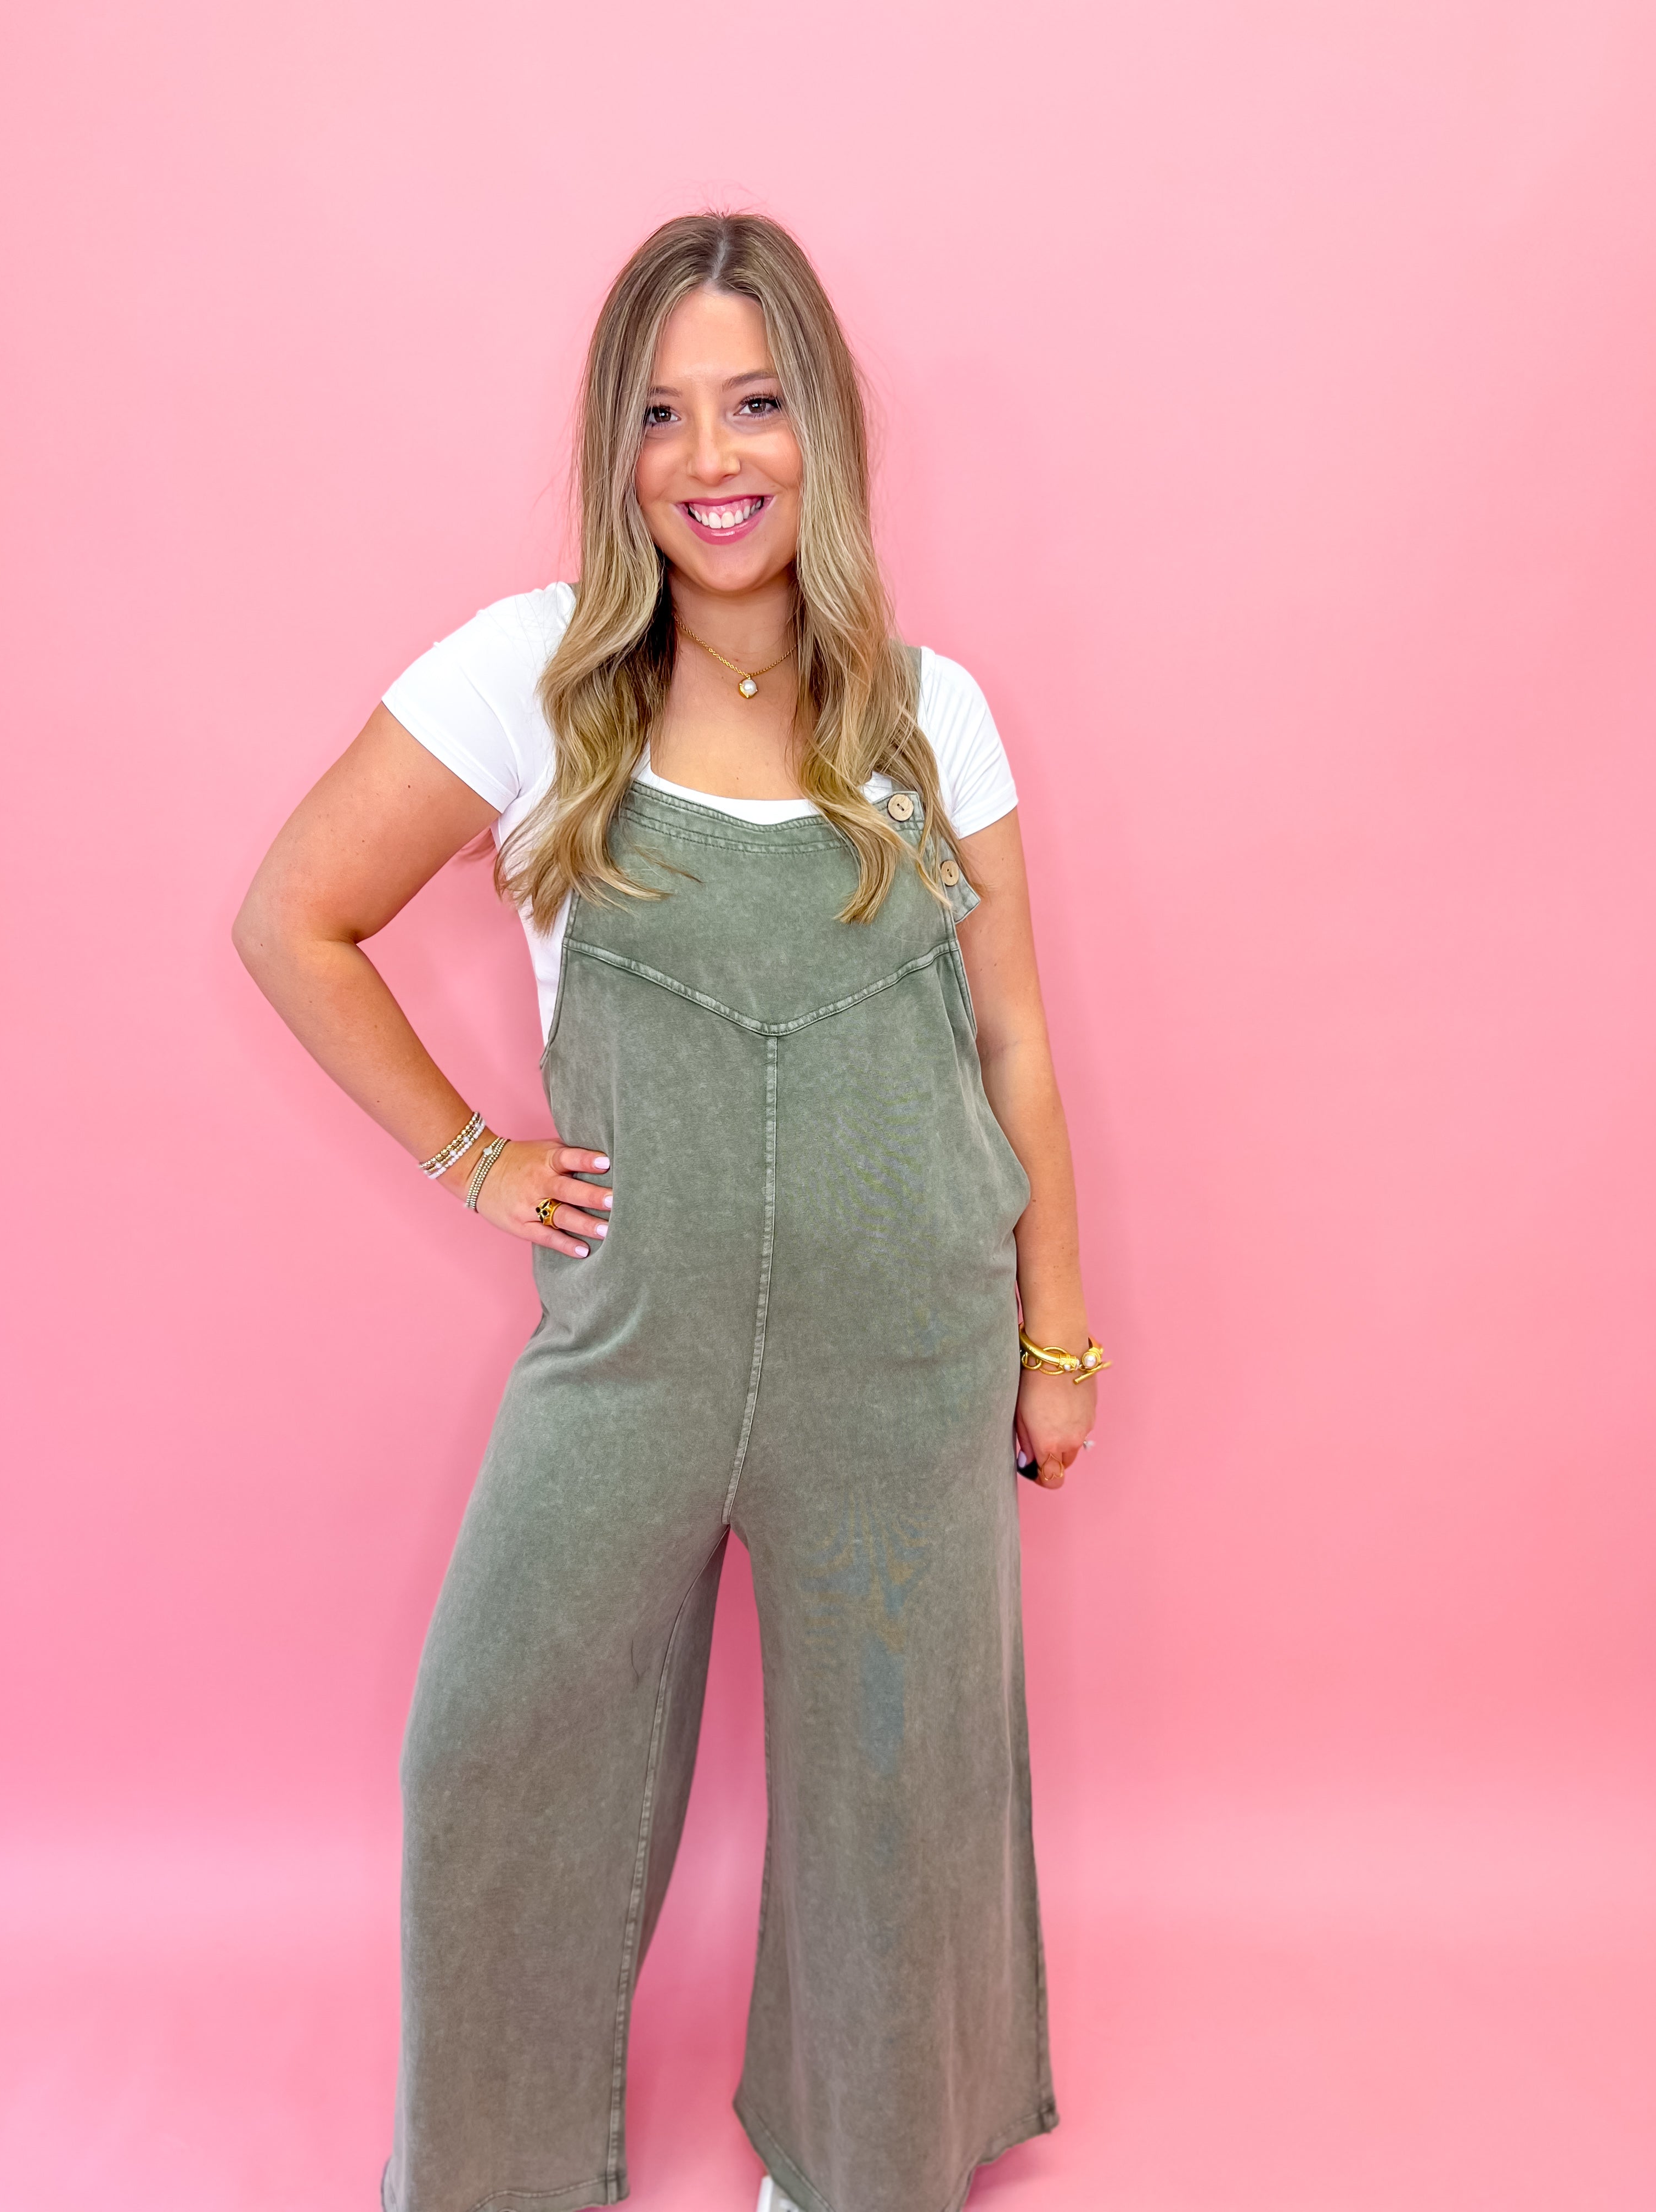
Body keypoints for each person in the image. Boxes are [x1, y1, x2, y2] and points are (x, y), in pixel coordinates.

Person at [234, 211, 1103, 2212]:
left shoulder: (929, 713)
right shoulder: (529, 680)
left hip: (910, 1344)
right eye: (662, 414)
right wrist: (474, 1156)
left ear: (824, 433)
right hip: (630, 1344)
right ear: (615, 450)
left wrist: (1057, 1337)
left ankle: (858, 2170)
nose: (714, 457)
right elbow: (295, 916)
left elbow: (1017, 1042)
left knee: (898, 1797)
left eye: (757, 403)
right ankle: (504, 2180)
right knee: (490, 1750)